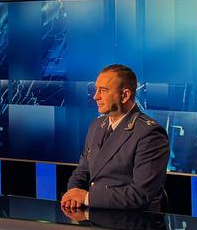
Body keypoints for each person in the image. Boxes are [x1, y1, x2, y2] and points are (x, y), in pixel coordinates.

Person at [61, 64, 169, 211]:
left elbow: (141, 195)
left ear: (125, 95)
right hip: (94, 215)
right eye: (96, 89)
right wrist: (73, 193)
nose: (95, 96)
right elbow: (82, 171)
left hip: (132, 221)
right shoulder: (96, 125)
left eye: (103, 90)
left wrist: (87, 198)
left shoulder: (149, 133)